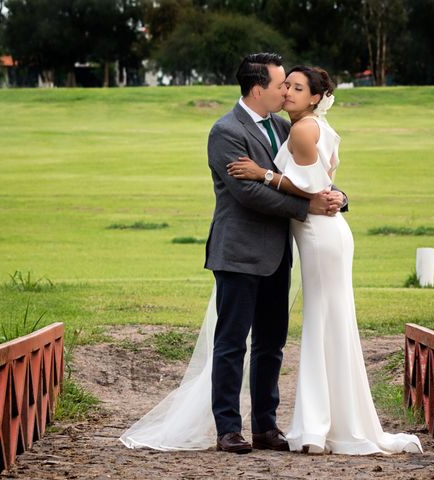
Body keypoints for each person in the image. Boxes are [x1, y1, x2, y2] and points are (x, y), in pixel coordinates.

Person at [120, 52, 347, 453]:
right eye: (280, 85)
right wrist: (305, 207)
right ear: (258, 88)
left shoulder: (283, 125)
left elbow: (309, 177)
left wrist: (339, 197)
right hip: (239, 252)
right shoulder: (225, 131)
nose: (285, 91)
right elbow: (248, 194)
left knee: (271, 343)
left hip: (278, 253)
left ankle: (265, 426)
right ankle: (228, 428)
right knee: (231, 343)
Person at [226, 65, 423, 455]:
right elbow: (323, 183)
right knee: (328, 322)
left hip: (319, 236)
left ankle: (316, 428)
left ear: (316, 97)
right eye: (285, 86)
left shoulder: (300, 128)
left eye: (297, 87)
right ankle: (326, 423)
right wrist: (336, 195)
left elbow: (311, 186)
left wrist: (263, 174)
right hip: (320, 233)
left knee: (321, 324)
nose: (287, 93)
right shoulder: (300, 124)